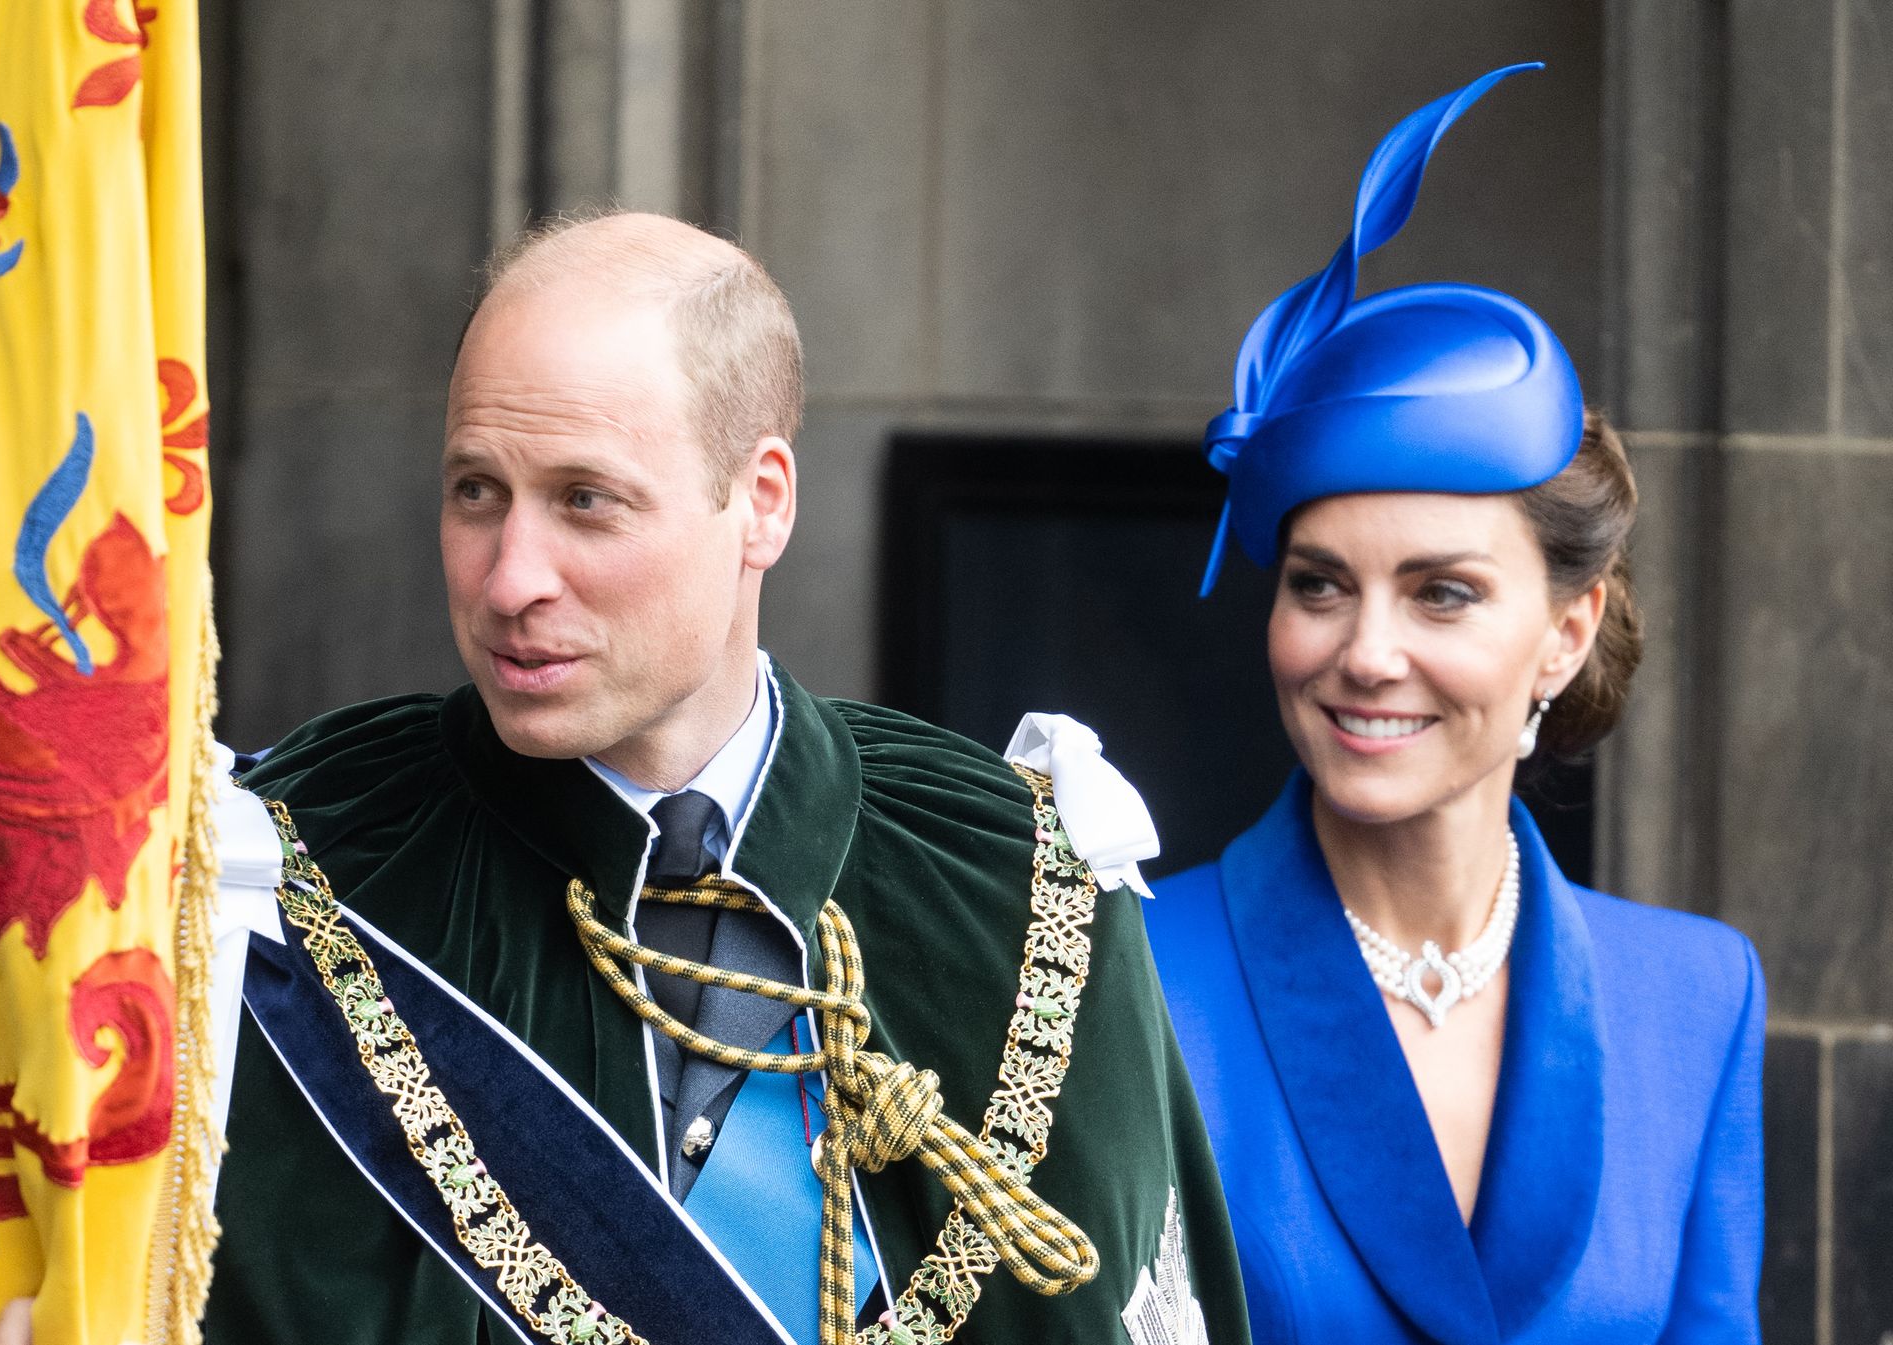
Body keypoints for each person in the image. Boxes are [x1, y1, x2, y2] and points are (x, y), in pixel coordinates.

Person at [184, 212, 1249, 1345]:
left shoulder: (1016, 874)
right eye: (476, 491)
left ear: (764, 501)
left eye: (585, 498)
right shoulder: (281, 870)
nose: (509, 579)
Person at [1143, 65, 1763, 1344]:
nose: (1365, 653)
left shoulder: (1696, 998)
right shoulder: (1131, 977)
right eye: (1321, 586)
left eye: (1441, 595)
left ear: (1563, 633)